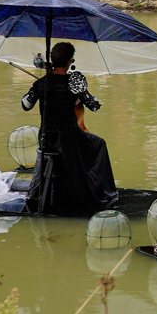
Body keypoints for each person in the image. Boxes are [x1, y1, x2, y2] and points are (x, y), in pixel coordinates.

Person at [21, 41, 115, 216]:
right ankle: (103, 189)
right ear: (70, 61)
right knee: (99, 144)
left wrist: (42, 85)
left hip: (46, 137)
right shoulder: (74, 81)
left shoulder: (42, 83)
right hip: (70, 138)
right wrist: (82, 97)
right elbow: (94, 106)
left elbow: (25, 104)